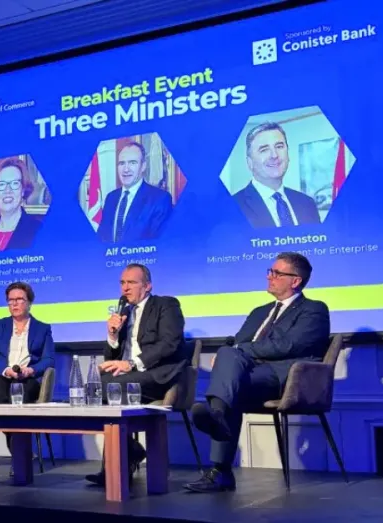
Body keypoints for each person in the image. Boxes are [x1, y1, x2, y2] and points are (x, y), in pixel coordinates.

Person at [185, 252, 330, 493]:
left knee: (230, 376)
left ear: (295, 281)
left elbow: (288, 346)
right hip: (250, 373)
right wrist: (233, 352)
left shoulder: (313, 310)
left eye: (277, 273)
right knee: (228, 365)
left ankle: (220, 467)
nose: (269, 277)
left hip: (284, 376)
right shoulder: (259, 312)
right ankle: (219, 426)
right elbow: (237, 343)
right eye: (270, 271)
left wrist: (239, 351)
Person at [86, 263, 188, 486]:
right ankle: (128, 455)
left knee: (108, 387)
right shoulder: (124, 312)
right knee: (94, 386)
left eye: (131, 282)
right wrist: (112, 335)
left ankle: (117, 466)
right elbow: (111, 356)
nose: (125, 288)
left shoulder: (166, 305)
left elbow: (169, 344)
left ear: (147, 286)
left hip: (157, 376)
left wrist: (131, 363)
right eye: (122, 283)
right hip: (130, 377)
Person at [0, 281, 56, 446]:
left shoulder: (42, 328)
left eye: (19, 299)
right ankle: (18, 448)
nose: (14, 303)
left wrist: (31, 370)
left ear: (29, 302)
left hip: (26, 378)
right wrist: (6, 370)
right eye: (10, 300)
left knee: (19, 403)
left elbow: (49, 359)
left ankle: (19, 453)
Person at [231, 122, 321, 229]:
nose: (274, 155)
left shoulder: (307, 203)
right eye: (264, 150)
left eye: (279, 146)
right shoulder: (232, 208)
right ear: (250, 162)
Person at [97, 140, 173, 243]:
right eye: (122, 163)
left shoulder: (160, 199)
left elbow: (159, 244)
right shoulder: (111, 198)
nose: (126, 169)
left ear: (143, 166)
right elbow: (102, 237)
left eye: (132, 163)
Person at [0, 158, 43, 252]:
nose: (7, 190)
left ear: (23, 191)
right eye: (1, 184)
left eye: (15, 183)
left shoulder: (38, 231)